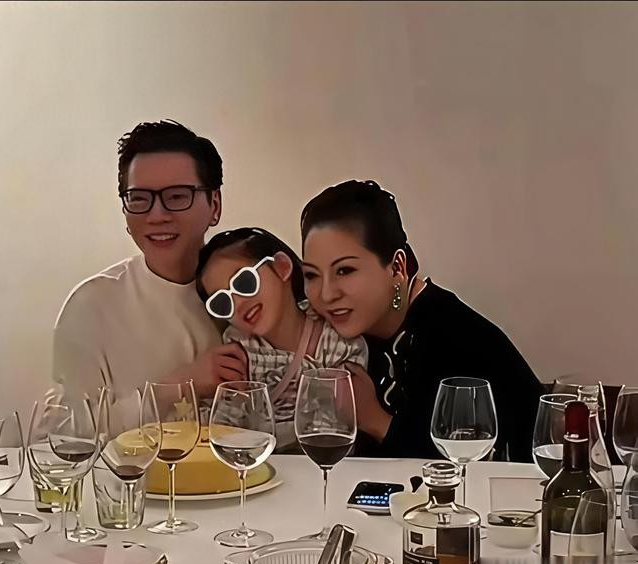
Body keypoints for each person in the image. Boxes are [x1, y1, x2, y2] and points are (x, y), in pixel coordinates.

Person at [299, 179, 542, 461]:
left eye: (345, 271)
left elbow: (467, 465)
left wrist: (375, 419)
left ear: (397, 267)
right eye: (312, 275)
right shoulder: (340, 328)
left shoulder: (456, 338)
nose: (326, 294)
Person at [53, 120, 247, 401]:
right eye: (139, 198)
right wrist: (180, 385)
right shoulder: (91, 306)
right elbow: (75, 423)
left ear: (214, 205)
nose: (157, 216)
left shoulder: (249, 290)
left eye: (177, 196)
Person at [195, 227, 368, 451]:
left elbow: (331, 435)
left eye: (244, 282)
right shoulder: (238, 349)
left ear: (282, 267)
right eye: (222, 303)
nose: (238, 303)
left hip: (320, 465)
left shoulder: (341, 343)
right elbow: (224, 430)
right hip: (257, 466)